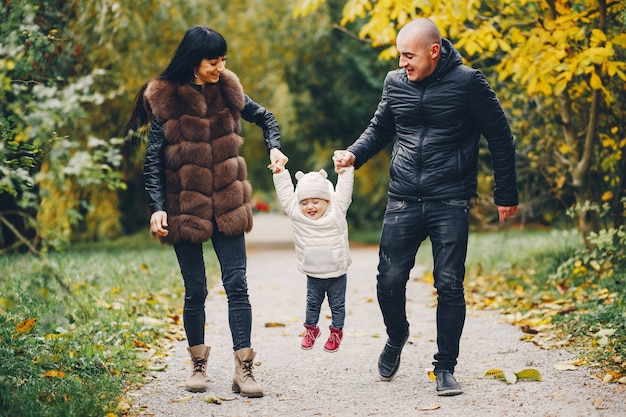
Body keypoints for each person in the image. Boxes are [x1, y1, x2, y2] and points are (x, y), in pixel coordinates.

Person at [333, 18, 518, 396]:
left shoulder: (469, 82)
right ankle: (397, 335)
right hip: (403, 196)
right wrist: (354, 153)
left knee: (449, 284)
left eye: (409, 55)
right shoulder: (395, 82)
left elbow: (500, 137)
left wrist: (506, 194)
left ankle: (445, 367)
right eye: (399, 55)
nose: (403, 63)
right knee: (389, 279)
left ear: (434, 52)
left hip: (450, 197)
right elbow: (380, 128)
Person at [122, 26, 288, 398]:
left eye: (223, 60)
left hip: (228, 203)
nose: (220, 66)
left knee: (238, 286)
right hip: (185, 207)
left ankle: (244, 368)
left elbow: (267, 118)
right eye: (214, 61)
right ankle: (198, 364)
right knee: (195, 289)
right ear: (194, 60)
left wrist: (273, 148)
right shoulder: (165, 98)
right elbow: (153, 160)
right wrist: (157, 209)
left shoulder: (228, 90)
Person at [270, 160, 354, 353]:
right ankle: (311, 330)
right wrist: (280, 173)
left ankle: (336, 332)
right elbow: (285, 194)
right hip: (313, 272)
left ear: (328, 200)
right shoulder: (296, 214)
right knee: (312, 303)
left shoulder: (337, 211)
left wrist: (346, 170)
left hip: (337, 272)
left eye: (316, 201)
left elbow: (344, 190)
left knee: (337, 305)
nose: (310, 207)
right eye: (304, 202)